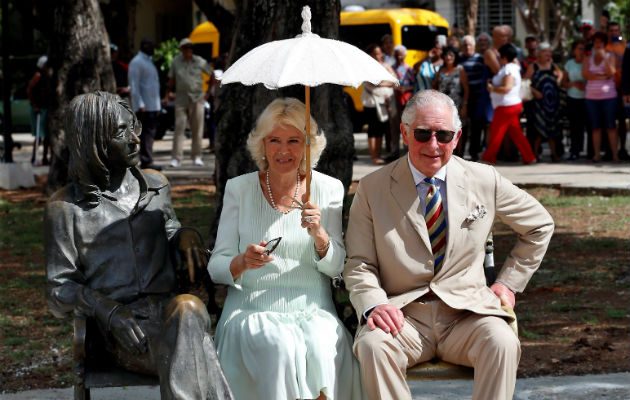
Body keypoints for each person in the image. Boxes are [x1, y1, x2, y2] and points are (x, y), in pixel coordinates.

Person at [343, 89, 554, 400]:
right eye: (422, 133)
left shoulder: (484, 179)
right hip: (403, 315)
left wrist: (509, 283)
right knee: (373, 345)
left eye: (443, 135)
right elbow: (359, 263)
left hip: (468, 314)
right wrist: (374, 303)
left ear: (457, 137)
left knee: (502, 341)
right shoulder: (372, 188)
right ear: (404, 132)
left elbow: (540, 224)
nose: (433, 145)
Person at [45, 91, 233, 400]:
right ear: (94, 140)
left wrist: (187, 236)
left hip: (172, 315)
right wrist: (108, 310)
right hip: (120, 333)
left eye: (134, 125)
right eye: (122, 132)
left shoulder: (156, 185)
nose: (135, 139)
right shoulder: (65, 208)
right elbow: (57, 290)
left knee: (188, 309)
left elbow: (171, 232)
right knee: (192, 329)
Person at [208, 97, 362, 400]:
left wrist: (319, 234)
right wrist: (241, 262)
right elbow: (216, 267)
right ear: (262, 145)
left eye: (294, 140)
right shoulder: (239, 189)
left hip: (313, 309)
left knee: (322, 346)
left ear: (308, 146)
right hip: (252, 309)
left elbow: (336, 267)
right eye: (274, 140)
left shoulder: (328, 189)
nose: (283, 150)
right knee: (278, 346)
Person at [482, 44, 537, 164]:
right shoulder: (511, 67)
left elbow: (507, 88)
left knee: (496, 132)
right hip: (509, 105)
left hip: (506, 106)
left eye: (499, 56)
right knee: (516, 134)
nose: (498, 58)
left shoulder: (509, 69)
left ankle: (488, 158)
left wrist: (492, 88)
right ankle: (529, 157)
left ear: (504, 57)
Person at [164, 38, 212, 168]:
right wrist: (167, 96)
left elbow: (212, 74)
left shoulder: (200, 61)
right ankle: (176, 158)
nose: (187, 50)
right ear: (181, 49)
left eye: (189, 48)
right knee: (179, 127)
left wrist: (208, 93)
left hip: (197, 98)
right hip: (181, 98)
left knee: (198, 128)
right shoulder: (176, 61)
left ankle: (197, 156)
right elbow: (171, 80)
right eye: (185, 48)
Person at [583, 31, 619, 162]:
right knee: (595, 127)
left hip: (609, 96)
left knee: (611, 126)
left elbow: (611, 73)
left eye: (600, 42)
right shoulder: (588, 58)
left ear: (604, 44)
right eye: (596, 42)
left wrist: (604, 58)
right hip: (591, 97)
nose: (598, 44)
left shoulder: (610, 56)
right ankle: (597, 154)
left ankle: (615, 155)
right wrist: (602, 76)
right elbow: (586, 75)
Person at [525, 42, 563, 162]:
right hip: (538, 104)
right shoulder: (533, 66)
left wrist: (559, 78)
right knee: (538, 130)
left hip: (552, 103)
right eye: (545, 52)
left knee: (553, 129)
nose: (548, 55)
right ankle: (535, 155)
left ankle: (554, 154)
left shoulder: (553, 66)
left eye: (549, 52)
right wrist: (535, 91)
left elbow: (561, 76)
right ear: (539, 54)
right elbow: (525, 83)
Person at [128, 38, 162, 170]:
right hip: (144, 106)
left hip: (152, 105)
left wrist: (157, 105)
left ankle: (147, 159)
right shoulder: (136, 62)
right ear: (145, 46)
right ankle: (146, 160)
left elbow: (153, 85)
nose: (154, 48)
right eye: (152, 46)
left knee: (150, 134)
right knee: (145, 134)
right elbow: (134, 85)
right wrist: (140, 103)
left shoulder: (148, 61)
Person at [460, 35, 492, 161]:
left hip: (478, 96)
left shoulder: (480, 59)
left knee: (476, 126)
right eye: (465, 45)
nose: (467, 47)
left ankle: (474, 152)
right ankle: (460, 152)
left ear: (474, 46)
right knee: (462, 125)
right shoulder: (459, 59)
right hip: (462, 97)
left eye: (470, 45)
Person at [362, 44, 395, 165]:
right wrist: (384, 82)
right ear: (371, 54)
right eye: (375, 53)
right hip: (371, 103)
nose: (378, 55)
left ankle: (378, 155)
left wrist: (382, 83)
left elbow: (394, 80)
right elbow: (372, 82)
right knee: (373, 130)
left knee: (381, 129)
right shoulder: (366, 66)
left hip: (384, 103)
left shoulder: (386, 65)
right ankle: (374, 156)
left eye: (379, 53)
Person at [433, 46, 469, 157]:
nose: (448, 57)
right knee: (444, 130)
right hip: (442, 106)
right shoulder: (440, 70)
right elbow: (434, 86)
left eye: (451, 55)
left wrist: (465, 105)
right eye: (446, 55)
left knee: (457, 130)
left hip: (457, 105)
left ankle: (459, 155)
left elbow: (467, 89)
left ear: (455, 57)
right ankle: (446, 154)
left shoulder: (460, 69)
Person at [562, 39, 588, 160]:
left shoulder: (588, 62)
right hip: (573, 98)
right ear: (574, 51)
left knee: (587, 126)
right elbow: (563, 82)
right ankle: (574, 151)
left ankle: (589, 151)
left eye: (583, 49)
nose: (581, 51)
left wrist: (585, 85)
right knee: (574, 126)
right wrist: (573, 84)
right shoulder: (569, 64)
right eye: (579, 48)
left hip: (587, 98)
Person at [26, 55, 52, 165]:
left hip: (46, 107)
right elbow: (29, 90)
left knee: (47, 135)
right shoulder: (38, 75)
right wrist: (34, 105)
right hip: (38, 109)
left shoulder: (48, 76)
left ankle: (45, 157)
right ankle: (34, 157)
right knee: (38, 135)